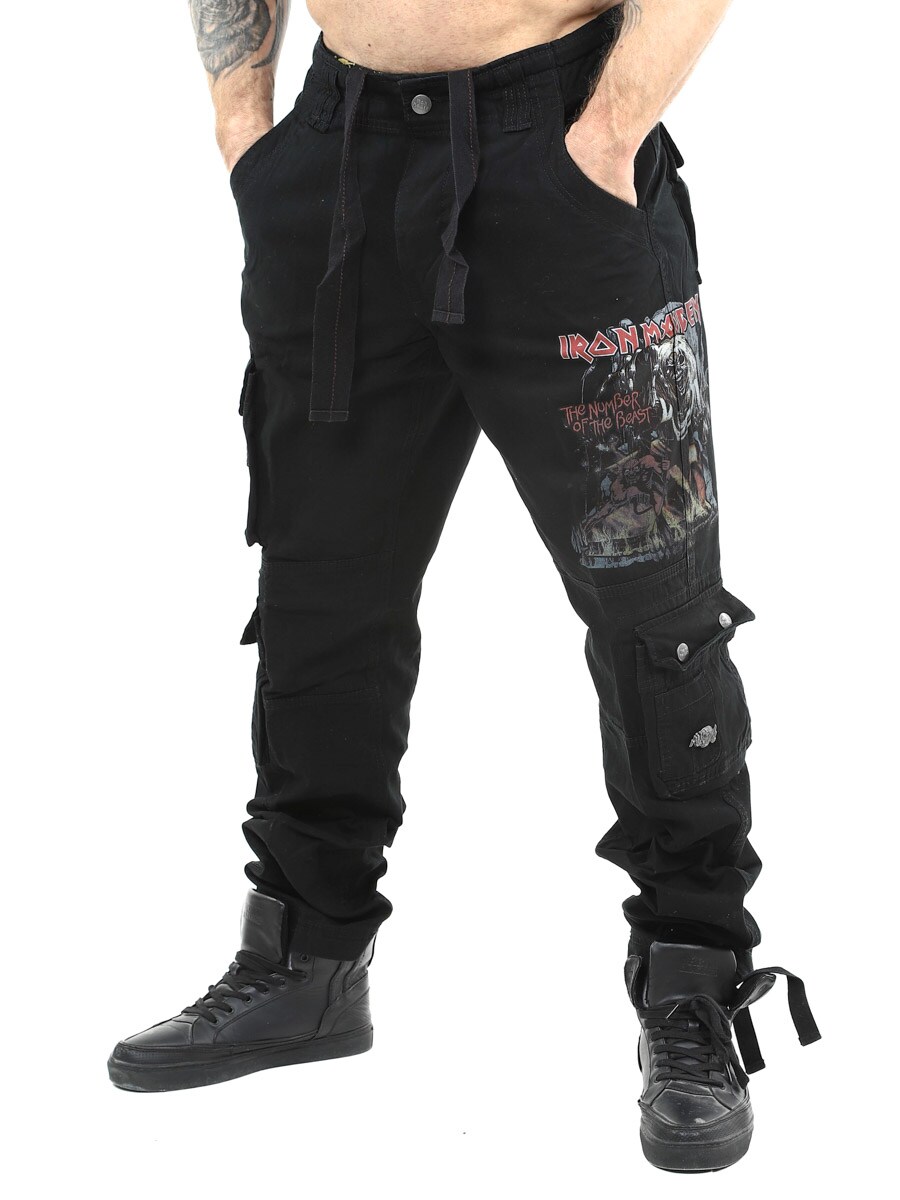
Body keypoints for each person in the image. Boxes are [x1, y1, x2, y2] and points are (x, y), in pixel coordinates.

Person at [108, 0, 820, 1172]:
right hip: (335, 157)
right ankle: (306, 958)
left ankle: (694, 980)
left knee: (655, 614)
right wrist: (245, 124)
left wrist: (607, 136)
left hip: (562, 154)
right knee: (318, 588)